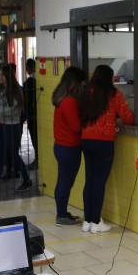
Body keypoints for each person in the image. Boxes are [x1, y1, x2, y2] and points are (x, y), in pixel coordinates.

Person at [79, 64, 133, 233]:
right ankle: (96, 222)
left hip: (86, 139)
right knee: (99, 183)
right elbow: (127, 118)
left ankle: (87, 221)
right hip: (103, 142)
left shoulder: (87, 92)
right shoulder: (114, 94)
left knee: (90, 180)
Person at [0, 65, 31, 192]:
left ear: (6, 76)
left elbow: (13, 110)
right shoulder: (1, 90)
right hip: (0, 126)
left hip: (11, 126)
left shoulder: (15, 90)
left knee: (13, 155)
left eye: (1, 75)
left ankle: (26, 179)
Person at [51, 66, 86, 226]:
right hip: (69, 147)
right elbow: (76, 127)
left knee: (63, 181)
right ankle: (61, 216)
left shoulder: (60, 98)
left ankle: (62, 212)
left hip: (61, 146)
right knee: (65, 182)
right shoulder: (70, 102)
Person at [23, 58, 38, 169]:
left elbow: (27, 101)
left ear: (29, 68)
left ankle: (37, 160)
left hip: (32, 115)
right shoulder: (41, 80)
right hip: (40, 115)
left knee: (34, 138)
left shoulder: (29, 82)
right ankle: (38, 159)